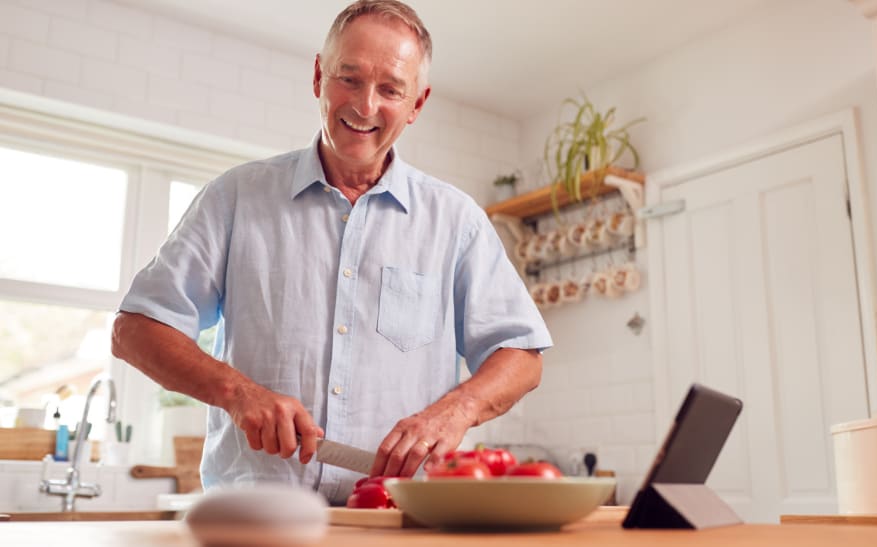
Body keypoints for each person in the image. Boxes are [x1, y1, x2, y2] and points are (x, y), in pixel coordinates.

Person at [110, 0, 551, 504]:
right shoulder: (235, 197)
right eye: (350, 77)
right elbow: (135, 331)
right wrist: (238, 393)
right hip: (256, 517)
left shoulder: (457, 220)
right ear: (319, 76)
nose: (365, 106)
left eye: (390, 89)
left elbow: (521, 354)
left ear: (417, 104)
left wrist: (455, 410)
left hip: (399, 520)